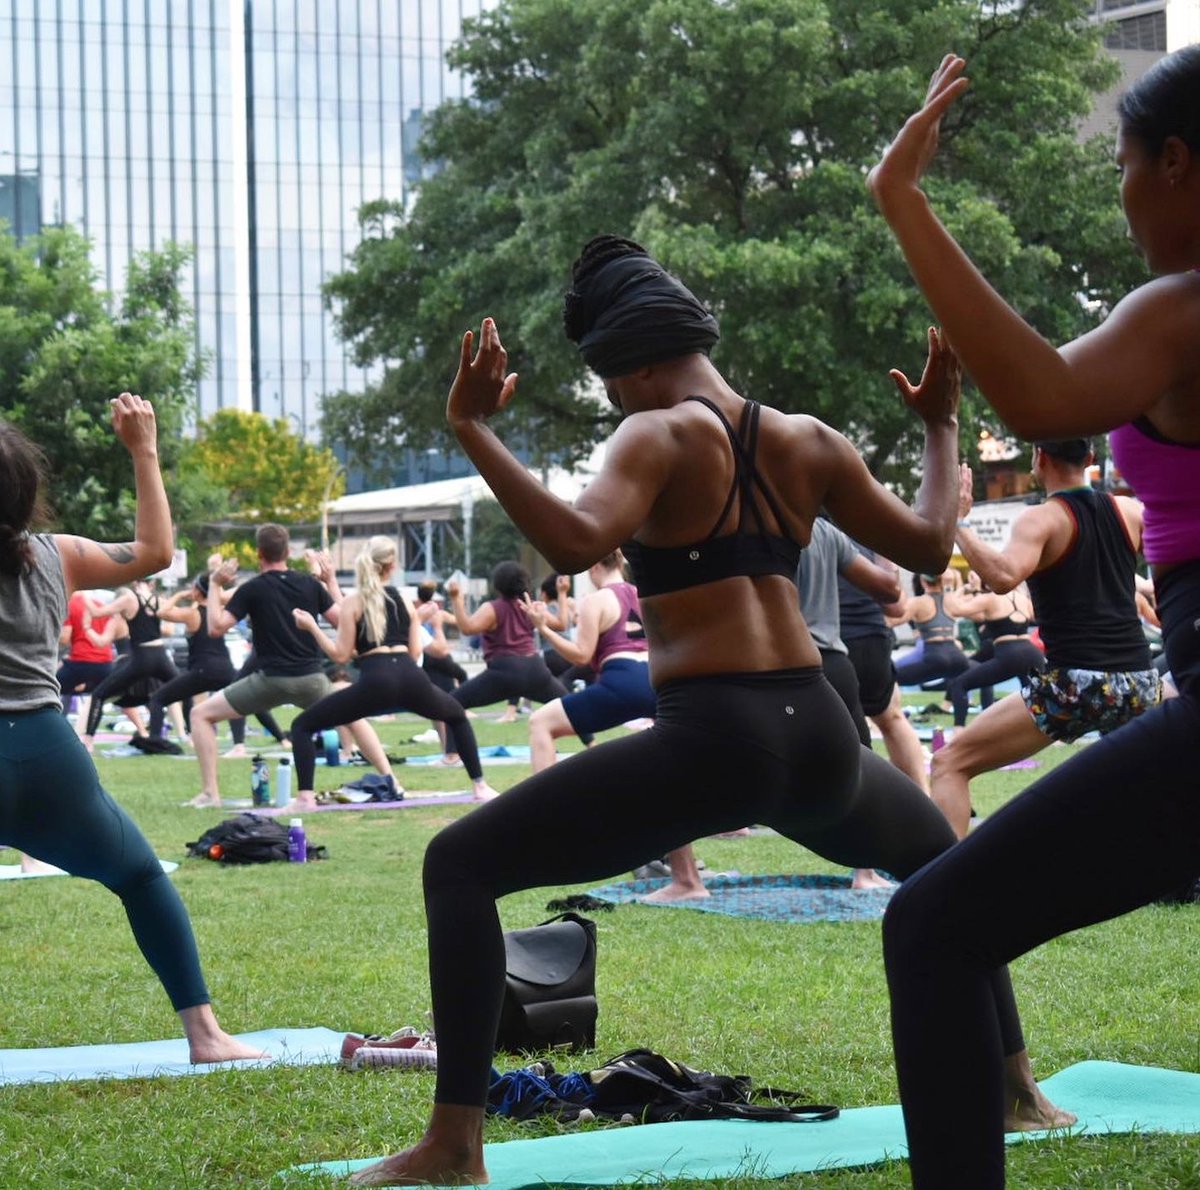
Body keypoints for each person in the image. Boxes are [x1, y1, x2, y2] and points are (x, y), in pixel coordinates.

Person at [345, 236, 1069, 1187]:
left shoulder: (657, 434)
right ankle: (1016, 1087)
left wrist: (477, 429)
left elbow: (573, 538)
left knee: (459, 863)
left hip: (720, 735)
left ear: (639, 359)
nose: (611, 399)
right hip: (821, 725)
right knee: (942, 861)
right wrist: (940, 424)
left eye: (609, 381)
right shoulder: (810, 438)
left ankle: (453, 1147)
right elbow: (932, 545)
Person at [870, 47, 1200, 1188]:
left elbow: (1041, 393)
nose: (1120, 199)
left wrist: (902, 201)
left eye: (1122, 168)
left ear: (1176, 164)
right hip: (1149, 681)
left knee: (932, 925)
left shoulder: (1184, 307)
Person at [0, 395, 261, 1062]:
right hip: (45, 755)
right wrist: (144, 451)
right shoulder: (54, 556)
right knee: (141, 878)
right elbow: (156, 551)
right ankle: (205, 1035)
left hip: (41, 752)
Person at [932, 449, 1160, 837]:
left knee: (948, 763)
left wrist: (956, 523)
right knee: (1153, 776)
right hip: (1139, 684)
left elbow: (1003, 576)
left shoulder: (1041, 518)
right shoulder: (1130, 512)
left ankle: (936, 890)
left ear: (1039, 458)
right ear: (1089, 455)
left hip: (1076, 687)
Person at [186, 525, 392, 808]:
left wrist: (214, 584)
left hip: (269, 682)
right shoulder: (310, 585)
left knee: (200, 715)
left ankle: (211, 793)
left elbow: (215, 627)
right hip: (312, 680)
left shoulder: (252, 588)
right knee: (353, 716)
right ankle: (390, 778)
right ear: (288, 552)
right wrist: (329, 581)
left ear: (259, 554)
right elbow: (342, 621)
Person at [290, 536, 498, 807]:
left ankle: (305, 798)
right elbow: (414, 653)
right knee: (457, 715)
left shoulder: (355, 602)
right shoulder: (403, 600)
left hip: (377, 679)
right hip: (411, 676)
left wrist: (313, 628)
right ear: (391, 566)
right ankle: (480, 786)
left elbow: (340, 654)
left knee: (302, 725)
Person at [522, 549, 655, 773]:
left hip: (621, 679)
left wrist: (542, 628)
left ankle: (542, 805)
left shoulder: (596, 600)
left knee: (540, 723)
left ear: (593, 567)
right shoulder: (643, 595)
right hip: (656, 681)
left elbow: (581, 655)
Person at [445, 562, 571, 714]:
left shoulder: (492, 608)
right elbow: (561, 624)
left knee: (450, 705)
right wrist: (562, 593)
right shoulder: (530, 607)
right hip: (534, 669)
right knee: (570, 708)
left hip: (504, 671)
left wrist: (456, 599)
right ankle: (591, 739)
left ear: (497, 584)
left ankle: (455, 738)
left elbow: (467, 628)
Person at [78, 577, 180, 753]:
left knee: (99, 696)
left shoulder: (125, 607)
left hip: (137, 661)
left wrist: (82, 595)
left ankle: (87, 740)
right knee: (173, 693)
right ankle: (180, 735)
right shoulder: (158, 601)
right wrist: (181, 596)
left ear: (134, 584)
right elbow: (171, 626)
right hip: (159, 656)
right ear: (152, 584)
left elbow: (97, 618)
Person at [940, 568, 1042, 731]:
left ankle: (958, 731)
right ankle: (1050, 734)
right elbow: (1037, 617)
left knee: (959, 685)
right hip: (1032, 652)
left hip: (1009, 653)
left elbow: (954, 609)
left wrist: (952, 587)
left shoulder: (989, 599)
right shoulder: (1022, 598)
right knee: (1038, 694)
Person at [892, 570, 969, 694]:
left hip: (933, 653)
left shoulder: (918, 602)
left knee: (888, 679)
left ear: (923, 581)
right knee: (972, 677)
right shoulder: (951, 600)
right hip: (957, 656)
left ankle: (893, 712)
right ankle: (963, 706)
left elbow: (893, 620)